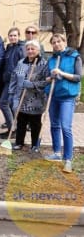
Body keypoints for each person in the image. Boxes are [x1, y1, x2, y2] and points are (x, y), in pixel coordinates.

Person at [44, 33, 82, 173]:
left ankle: (68, 159)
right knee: (54, 125)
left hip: (67, 96)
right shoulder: (52, 58)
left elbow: (78, 77)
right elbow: (47, 77)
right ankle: (56, 153)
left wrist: (62, 73)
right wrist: (51, 76)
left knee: (65, 127)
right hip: (54, 95)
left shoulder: (74, 56)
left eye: (59, 41)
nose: (56, 44)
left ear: (64, 41)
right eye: (53, 42)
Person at [9, 40, 47, 152]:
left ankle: (35, 144)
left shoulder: (43, 64)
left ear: (38, 50)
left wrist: (33, 84)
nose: (30, 51)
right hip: (21, 97)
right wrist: (11, 93)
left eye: (33, 49)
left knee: (35, 123)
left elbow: (46, 81)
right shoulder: (21, 62)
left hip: (36, 99)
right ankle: (19, 143)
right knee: (21, 121)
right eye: (28, 49)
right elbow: (14, 78)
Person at [0, 27, 25, 139]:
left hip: (16, 82)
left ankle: (13, 129)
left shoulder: (21, 48)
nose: (13, 37)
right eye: (11, 35)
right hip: (7, 80)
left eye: (15, 35)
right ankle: (14, 128)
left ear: (18, 36)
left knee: (4, 104)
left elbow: (24, 65)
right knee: (8, 104)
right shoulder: (9, 48)